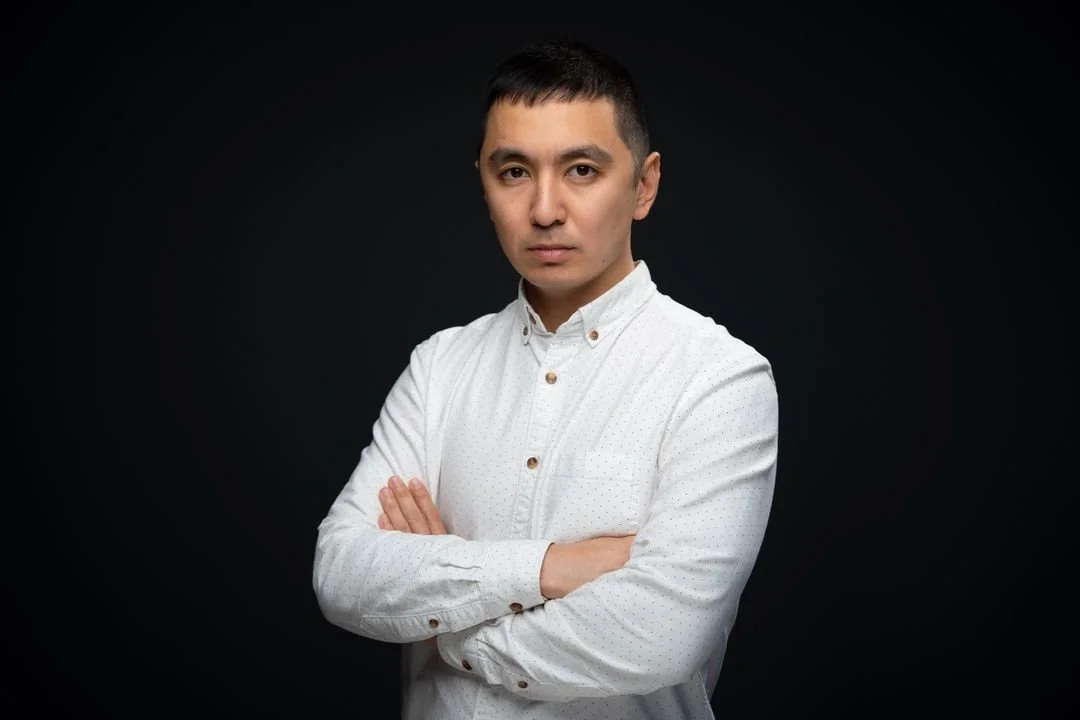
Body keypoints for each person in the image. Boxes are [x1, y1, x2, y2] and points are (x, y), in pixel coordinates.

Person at [313, 39, 779, 719]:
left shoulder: (719, 377)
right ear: (484, 183)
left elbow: (661, 635)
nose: (544, 209)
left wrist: (451, 622)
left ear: (644, 185)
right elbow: (342, 573)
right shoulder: (440, 366)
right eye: (514, 172)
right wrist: (549, 567)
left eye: (582, 169)